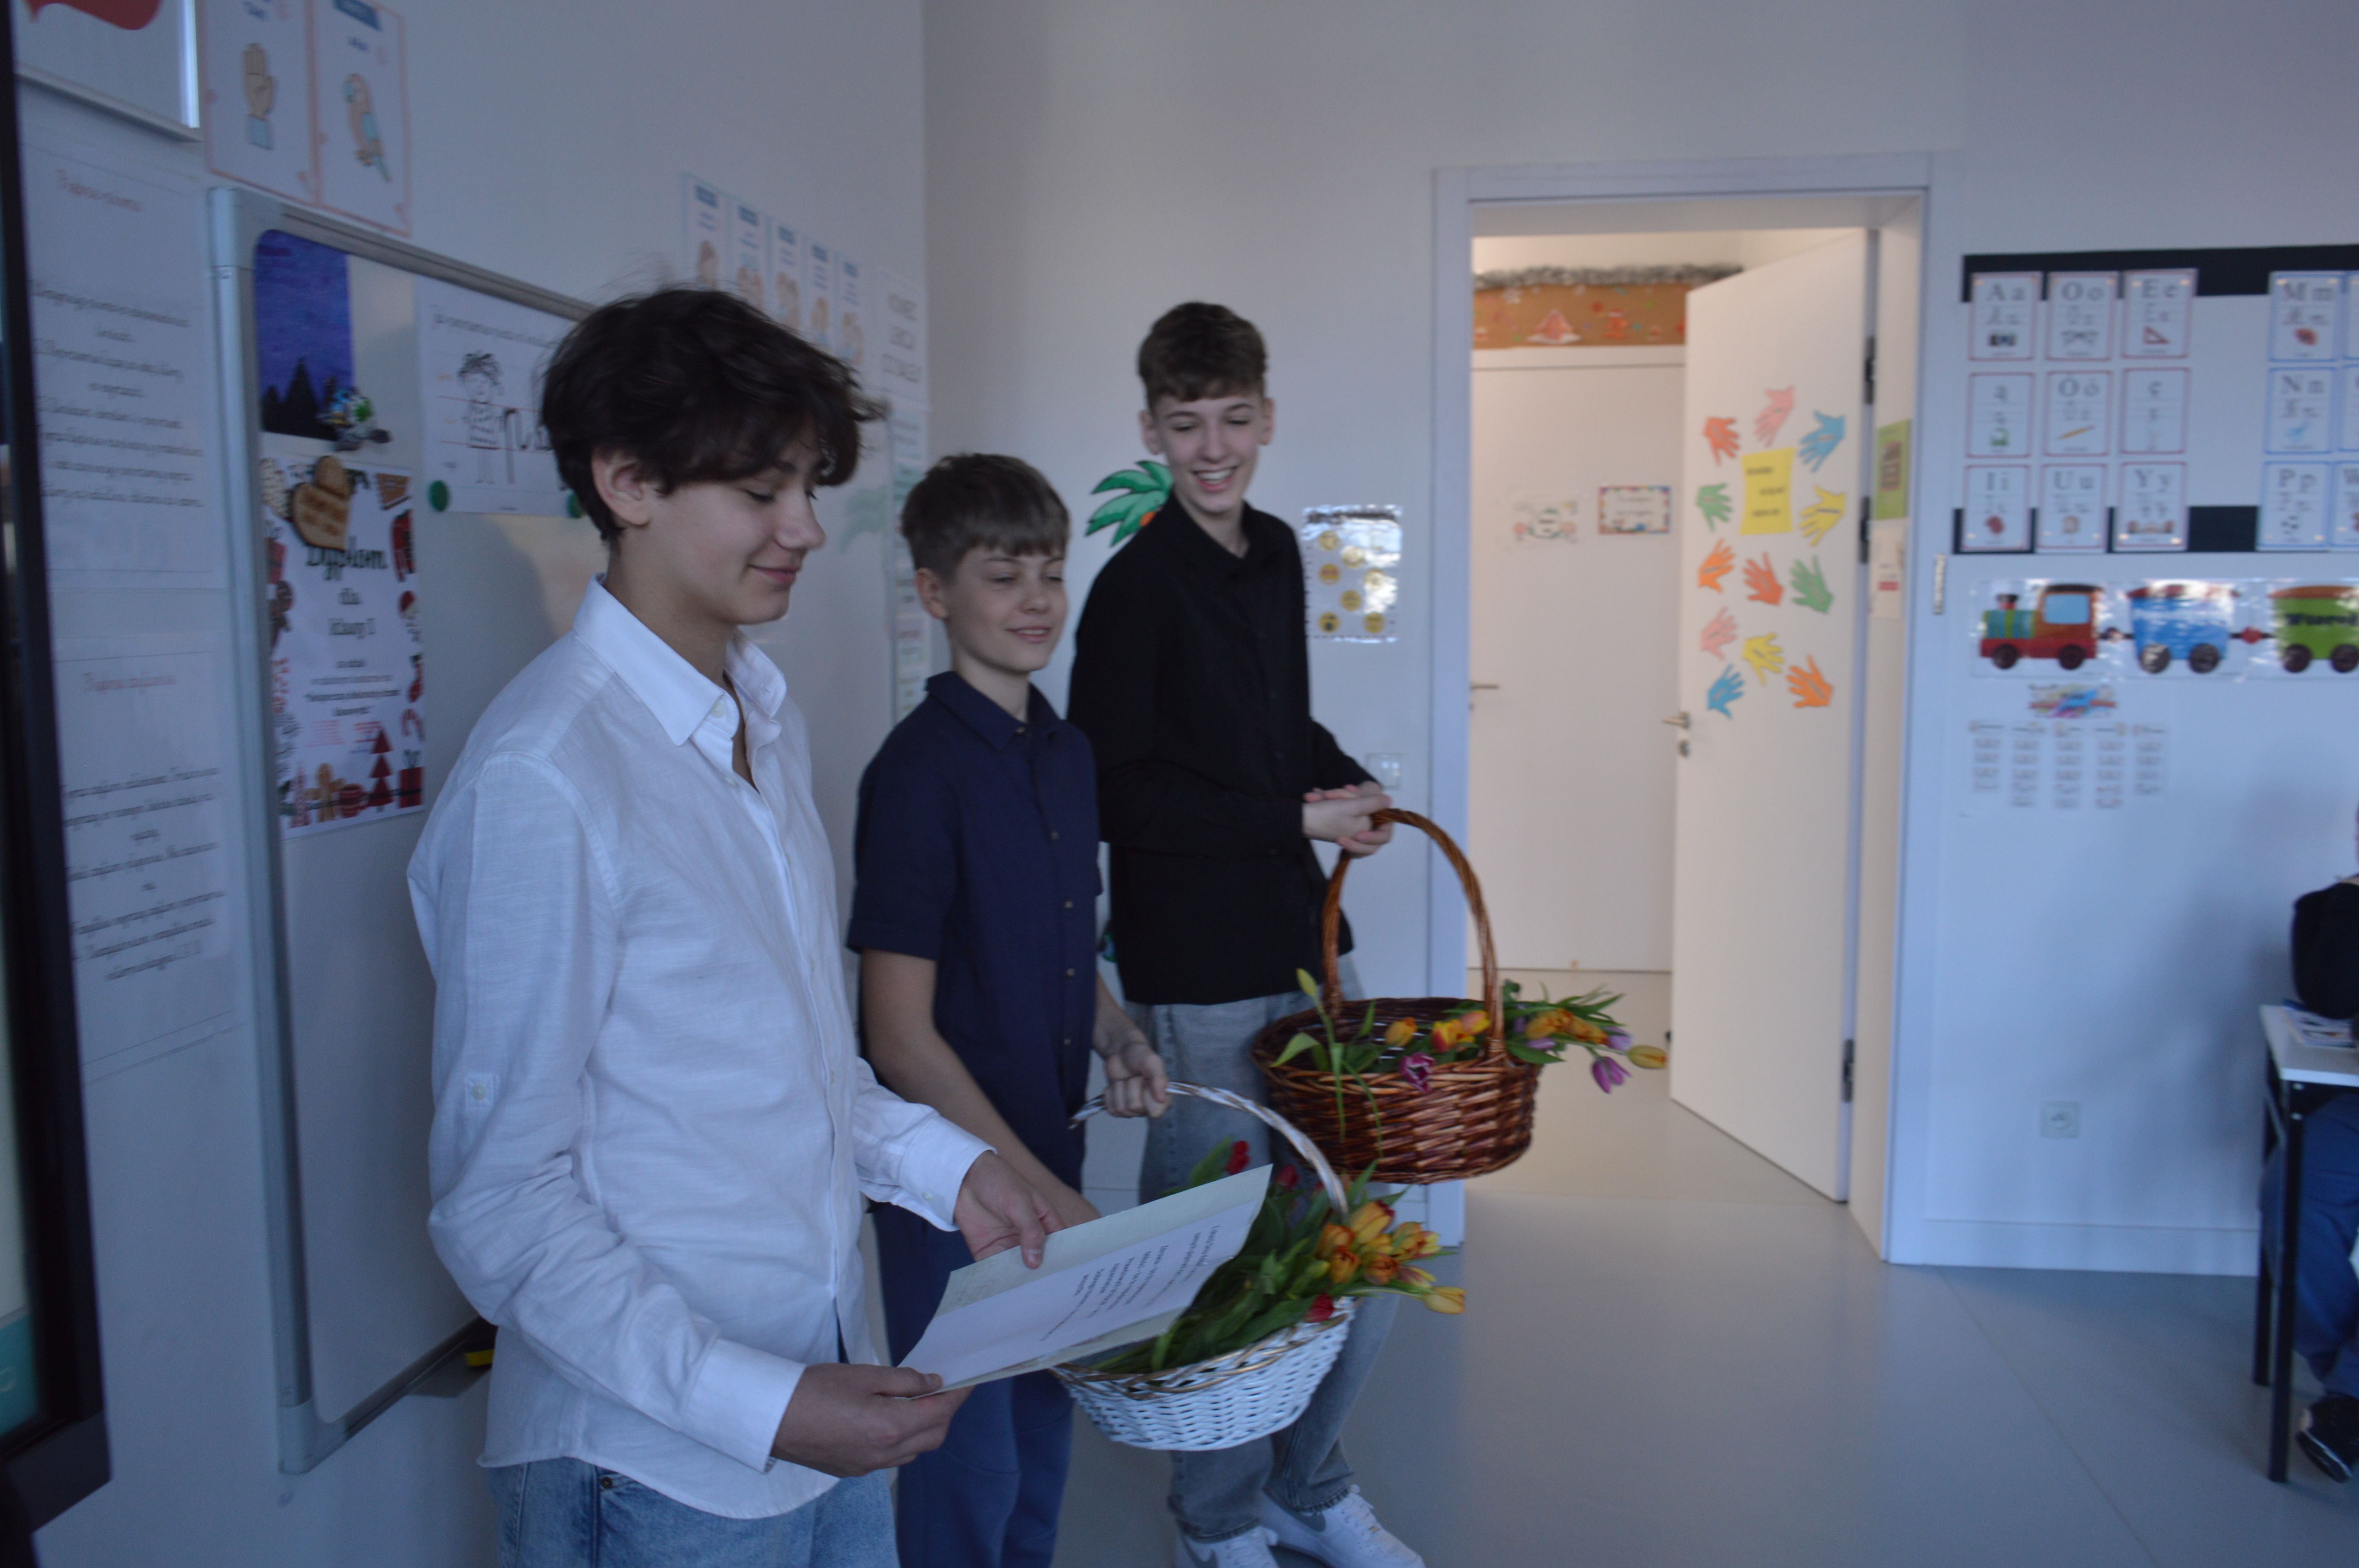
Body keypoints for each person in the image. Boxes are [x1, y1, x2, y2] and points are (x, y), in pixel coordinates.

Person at [410, 288, 1062, 1568]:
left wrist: (953, 1170)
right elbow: (500, 1203)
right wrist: (761, 1406)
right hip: (653, 1468)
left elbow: (789, 1067)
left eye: (807, 487)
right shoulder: (548, 778)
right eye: (762, 491)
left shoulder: (758, 717)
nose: (805, 528)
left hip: (829, 1389)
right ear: (627, 482)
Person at [1068, 302, 1421, 1568]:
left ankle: (1307, 1487)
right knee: (1216, 1248)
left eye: (1231, 420)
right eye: (1184, 425)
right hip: (1196, 968)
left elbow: (1277, 737)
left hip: (1306, 946)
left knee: (1360, 1223)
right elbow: (1117, 795)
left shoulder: (1275, 553)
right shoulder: (1130, 590)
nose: (1211, 448)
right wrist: (1290, 814)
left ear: (1267, 418)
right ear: (1149, 429)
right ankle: (1214, 1520)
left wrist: (1342, 787)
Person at [852, 453, 1172, 1566]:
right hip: (948, 1190)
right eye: (1002, 576)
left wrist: (1119, 1033)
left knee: (1041, 1439)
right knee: (966, 1464)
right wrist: (1034, 1192)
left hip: (1047, 1154)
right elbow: (898, 1036)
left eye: (1049, 572)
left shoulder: (1069, 751)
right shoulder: (916, 773)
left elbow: (1061, 943)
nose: (1036, 600)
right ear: (934, 592)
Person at [2269, 835, 2359, 1482]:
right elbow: (2328, 995)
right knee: (2289, 1195)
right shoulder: (2329, 909)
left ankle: (2349, 1401)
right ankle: (2346, 1391)